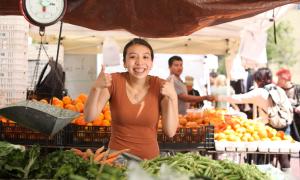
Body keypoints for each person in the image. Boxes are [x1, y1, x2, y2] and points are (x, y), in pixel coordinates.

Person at [84, 38, 178, 160]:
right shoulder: (113, 81)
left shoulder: (162, 86)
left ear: (151, 63)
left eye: (145, 57)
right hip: (116, 160)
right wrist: (95, 88)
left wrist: (173, 97)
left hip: (149, 162)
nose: (139, 62)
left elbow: (170, 132)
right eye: (133, 57)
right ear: (124, 62)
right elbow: (89, 117)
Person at [217, 67, 293, 171]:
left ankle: (265, 174)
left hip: (271, 128)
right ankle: (285, 175)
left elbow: (239, 98)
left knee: (264, 156)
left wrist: (218, 97)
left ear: (259, 80)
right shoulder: (278, 89)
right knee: (283, 155)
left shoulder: (260, 92)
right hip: (285, 125)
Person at [276, 68, 300, 141]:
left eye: (279, 79)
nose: (277, 81)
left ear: (285, 79)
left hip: (297, 121)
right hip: (285, 123)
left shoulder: (297, 88)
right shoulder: (278, 90)